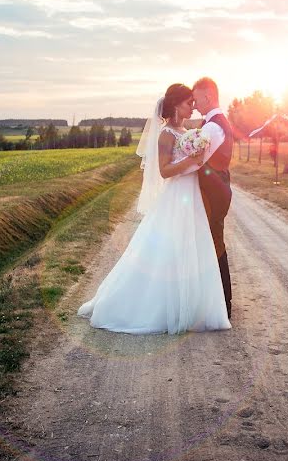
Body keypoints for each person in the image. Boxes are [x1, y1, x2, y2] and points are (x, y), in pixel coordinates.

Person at [77, 83, 232, 334]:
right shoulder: (166, 134)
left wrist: (197, 158)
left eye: (194, 102)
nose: (193, 106)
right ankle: (153, 307)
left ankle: (194, 306)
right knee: (169, 250)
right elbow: (164, 170)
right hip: (176, 194)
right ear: (175, 105)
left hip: (191, 194)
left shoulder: (186, 130)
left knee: (192, 246)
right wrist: (191, 160)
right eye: (188, 102)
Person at [191, 77, 235, 320]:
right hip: (214, 192)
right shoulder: (212, 123)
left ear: (208, 97)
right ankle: (216, 301)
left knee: (214, 244)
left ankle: (223, 304)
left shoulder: (214, 127)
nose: (195, 105)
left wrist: (169, 169)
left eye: (196, 99)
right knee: (211, 243)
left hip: (213, 194)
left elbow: (197, 161)